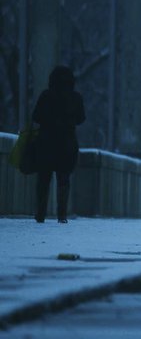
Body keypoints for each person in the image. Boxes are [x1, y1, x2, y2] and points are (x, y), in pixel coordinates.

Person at [31, 65, 86, 224]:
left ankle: (40, 214)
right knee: (63, 179)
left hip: (46, 143)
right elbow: (82, 118)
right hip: (67, 144)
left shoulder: (46, 96)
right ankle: (62, 215)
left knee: (43, 179)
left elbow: (36, 116)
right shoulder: (75, 97)